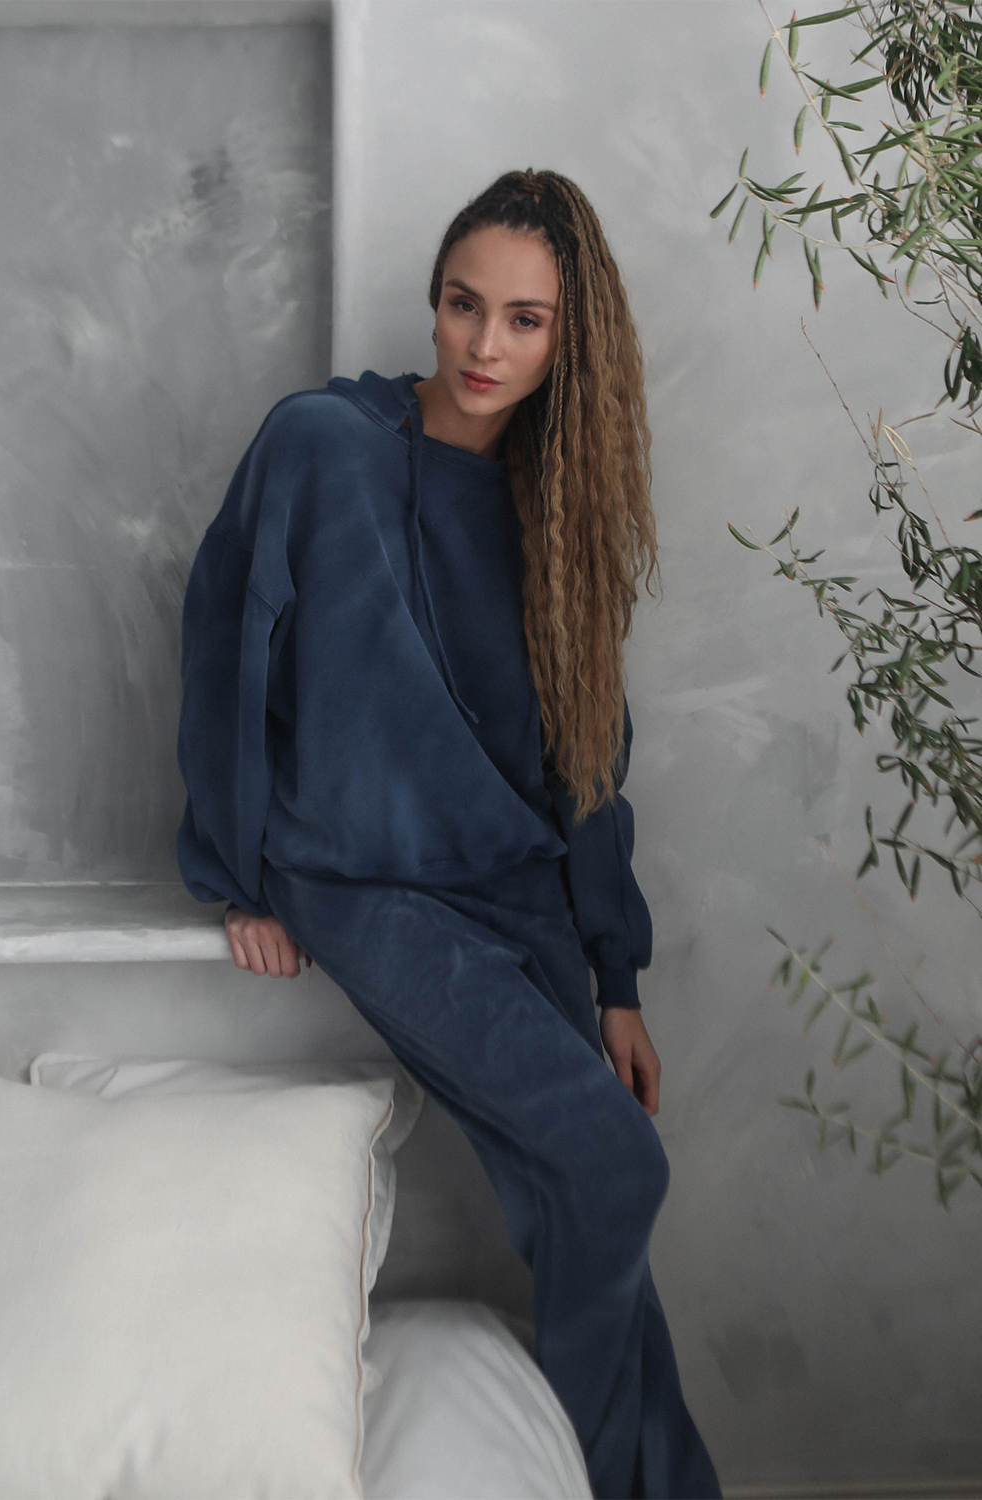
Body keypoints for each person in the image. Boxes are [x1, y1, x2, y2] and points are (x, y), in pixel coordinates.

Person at [175, 167, 722, 1500]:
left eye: (525, 321)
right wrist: (240, 879)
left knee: (585, 1203)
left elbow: (588, 762)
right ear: (433, 301)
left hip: (520, 892)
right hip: (364, 883)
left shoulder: (559, 511)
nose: (485, 346)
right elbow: (225, 658)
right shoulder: (321, 444)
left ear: (569, 341)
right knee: (614, 1168)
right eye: (465, 305)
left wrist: (616, 976)